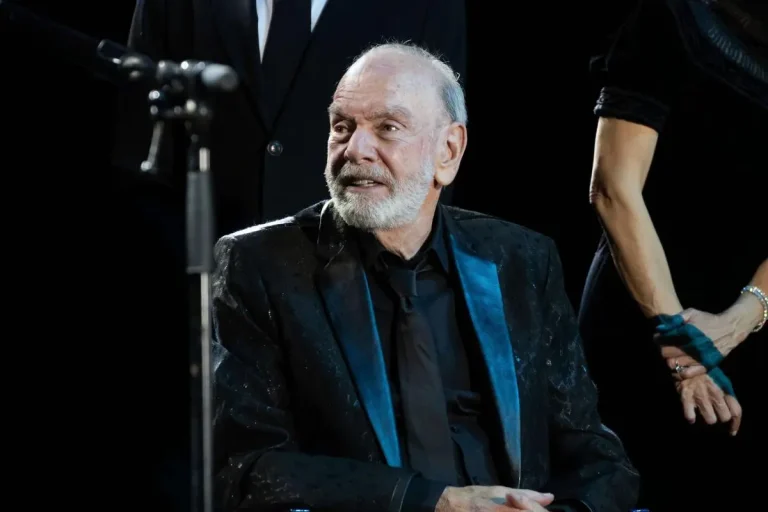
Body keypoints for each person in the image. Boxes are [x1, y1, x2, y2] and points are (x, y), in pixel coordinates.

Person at [211, 43, 639, 512]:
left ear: (448, 150)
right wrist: (434, 502)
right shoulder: (261, 265)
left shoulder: (521, 261)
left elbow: (599, 458)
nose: (355, 149)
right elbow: (245, 469)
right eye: (341, 127)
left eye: (387, 128)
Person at [579, 1, 767, 510]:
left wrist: (739, 319)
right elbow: (614, 189)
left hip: (748, 329)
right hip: (639, 318)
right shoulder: (669, 18)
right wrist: (685, 347)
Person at [112, 0, 467, 239]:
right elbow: (137, 144)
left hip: (355, 290)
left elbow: (436, 150)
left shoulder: (428, 6)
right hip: (202, 282)